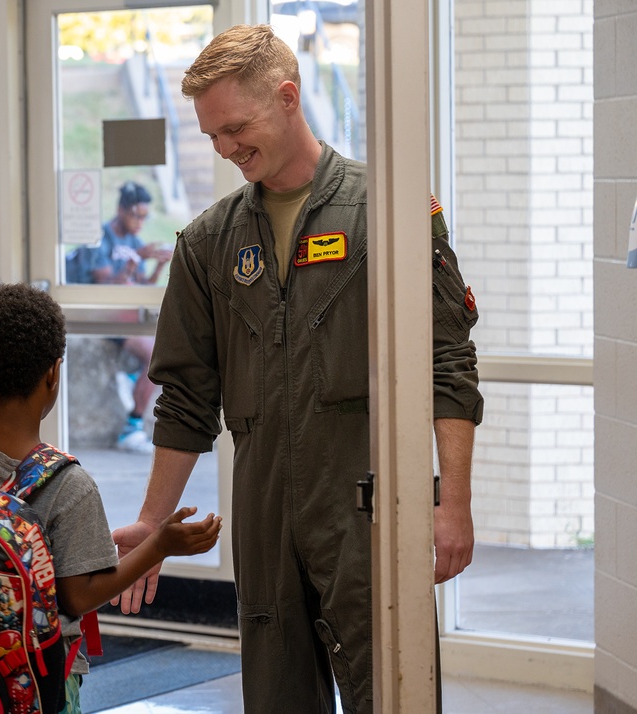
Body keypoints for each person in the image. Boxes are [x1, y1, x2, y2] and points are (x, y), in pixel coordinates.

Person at [110, 24, 484, 714]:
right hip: (265, 517)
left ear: (288, 97)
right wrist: (153, 527)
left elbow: (449, 362)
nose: (225, 149)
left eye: (236, 128)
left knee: (395, 696)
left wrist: (452, 502)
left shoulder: (392, 214)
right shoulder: (208, 243)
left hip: (370, 511)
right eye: (211, 135)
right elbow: (187, 397)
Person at [0, 282, 222, 714]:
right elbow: (79, 597)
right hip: (35, 681)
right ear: (54, 373)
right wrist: (158, 545)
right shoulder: (67, 485)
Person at [91, 181, 174, 453]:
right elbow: (104, 287)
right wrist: (135, 257)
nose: (140, 222)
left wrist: (160, 264)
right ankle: (132, 427)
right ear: (120, 210)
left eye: (144, 217)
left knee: (166, 348)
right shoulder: (102, 238)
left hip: (128, 318)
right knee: (155, 357)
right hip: (104, 318)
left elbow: (143, 285)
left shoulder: (134, 241)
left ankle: (131, 379)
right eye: (135, 215)